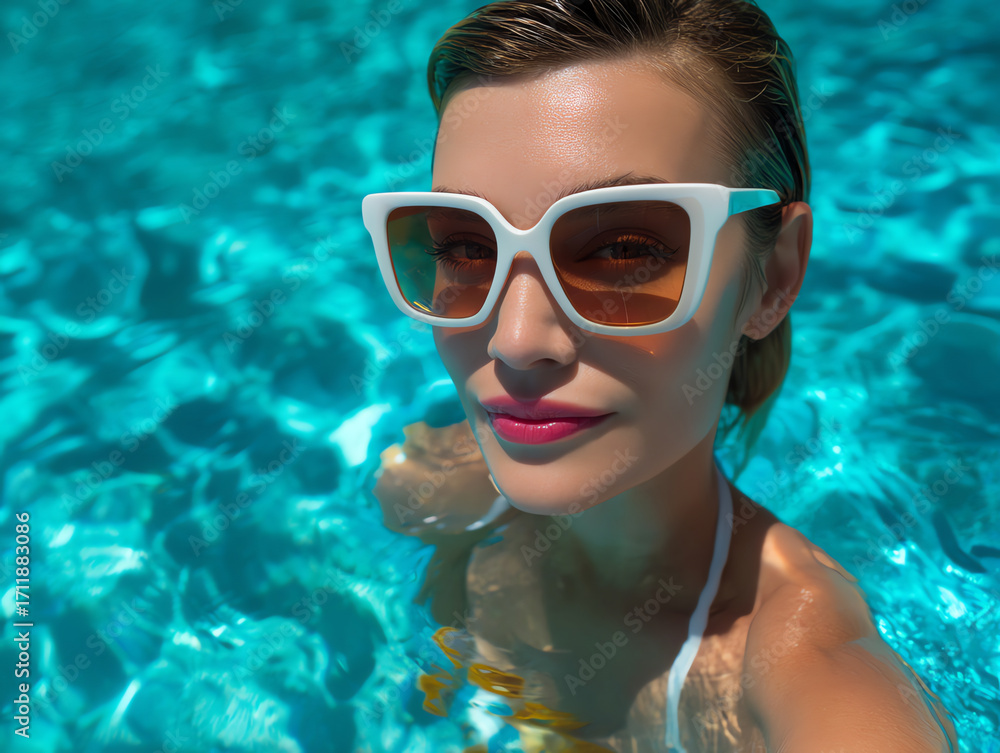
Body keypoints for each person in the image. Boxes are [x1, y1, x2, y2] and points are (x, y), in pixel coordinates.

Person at [364, 0, 959, 750]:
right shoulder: (429, 485)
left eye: (620, 249)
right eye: (463, 247)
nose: (516, 342)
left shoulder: (802, 673)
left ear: (774, 277)